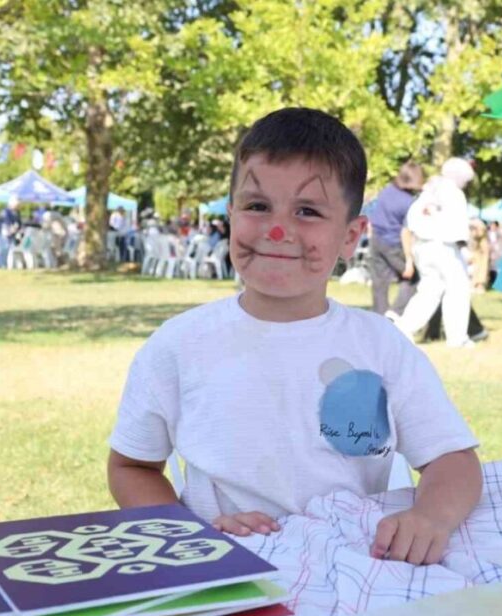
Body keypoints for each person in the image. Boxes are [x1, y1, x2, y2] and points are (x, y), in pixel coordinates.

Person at [107, 107, 482, 566]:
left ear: (350, 237)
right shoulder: (178, 346)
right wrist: (190, 536)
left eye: (307, 211)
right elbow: (131, 466)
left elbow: (453, 461)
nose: (277, 231)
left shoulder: (381, 347)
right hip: (228, 568)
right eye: (257, 206)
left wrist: (432, 519)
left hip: (355, 562)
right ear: (231, 216)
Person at [394, 157, 477, 348]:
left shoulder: (430, 189)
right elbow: (457, 226)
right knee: (458, 290)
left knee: (430, 290)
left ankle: (404, 327)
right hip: (445, 246)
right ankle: (457, 338)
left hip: (422, 244)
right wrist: (465, 249)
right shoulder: (454, 193)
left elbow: (412, 218)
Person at [367, 161, 425, 316]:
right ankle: (394, 313)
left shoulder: (386, 191)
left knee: (379, 283)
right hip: (393, 244)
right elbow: (405, 232)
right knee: (413, 279)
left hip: (376, 239)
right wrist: (409, 261)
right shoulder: (409, 203)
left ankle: (379, 316)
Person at [0, 197, 21, 267]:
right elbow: (6, 222)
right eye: (16, 205)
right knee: (3, 248)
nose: (17, 207)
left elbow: (19, 222)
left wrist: (17, 228)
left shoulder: (16, 212)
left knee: (9, 248)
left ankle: (8, 263)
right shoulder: (5, 211)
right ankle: (1, 264)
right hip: (3, 231)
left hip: (11, 232)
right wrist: (12, 228)